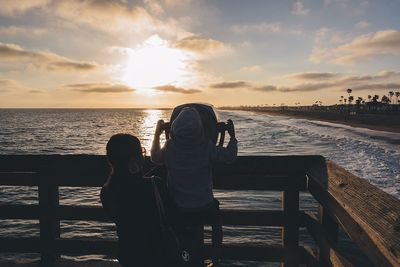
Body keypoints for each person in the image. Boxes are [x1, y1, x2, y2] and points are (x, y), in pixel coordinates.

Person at [151, 107, 238, 266]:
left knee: (184, 237)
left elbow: (155, 158)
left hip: (179, 206)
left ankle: (184, 260)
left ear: (174, 127)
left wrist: (157, 134)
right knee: (216, 223)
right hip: (204, 205)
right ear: (200, 128)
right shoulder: (205, 145)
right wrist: (232, 137)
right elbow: (229, 156)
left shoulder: (170, 147)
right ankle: (215, 258)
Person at [100, 133, 174, 267]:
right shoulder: (155, 185)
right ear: (134, 160)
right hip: (158, 255)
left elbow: (130, 186)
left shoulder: (106, 191)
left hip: (129, 255)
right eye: (141, 152)